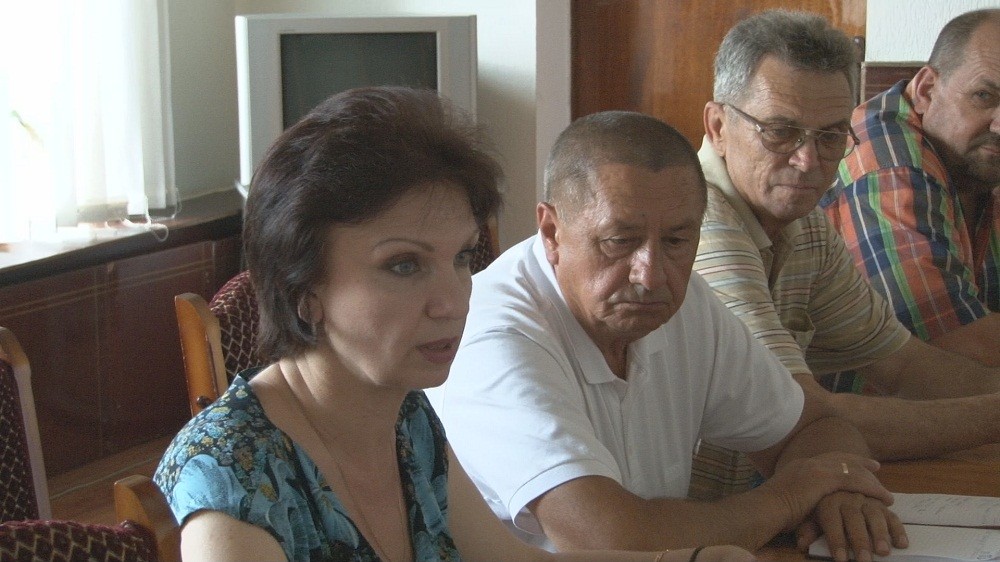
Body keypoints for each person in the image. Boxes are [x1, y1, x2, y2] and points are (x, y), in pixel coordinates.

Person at [152, 87, 753, 562]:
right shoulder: (230, 477)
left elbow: (512, 560)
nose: (452, 302)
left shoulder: (407, 418)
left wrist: (688, 559)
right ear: (303, 289)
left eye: (463, 258)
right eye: (404, 265)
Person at [430, 108, 905, 560]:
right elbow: (609, 539)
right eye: (619, 242)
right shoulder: (492, 336)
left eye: (677, 240)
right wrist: (790, 497)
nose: (651, 274)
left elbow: (817, 426)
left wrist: (843, 493)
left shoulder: (684, 303)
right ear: (552, 232)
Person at [693, 8, 1000, 511]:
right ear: (719, 126)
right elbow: (800, 416)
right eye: (780, 131)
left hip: (762, 510)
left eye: (831, 135)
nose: (808, 161)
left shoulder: (805, 225)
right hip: (675, 528)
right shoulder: (697, 224)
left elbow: (904, 365)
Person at [821, 8, 1000, 367]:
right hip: (863, 399)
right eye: (984, 96)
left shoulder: (971, 158)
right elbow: (953, 338)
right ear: (926, 89)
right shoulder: (888, 163)